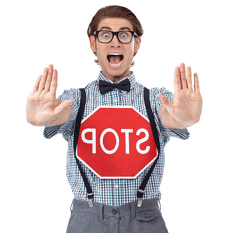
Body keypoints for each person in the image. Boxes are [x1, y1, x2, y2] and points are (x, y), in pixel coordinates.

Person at [26, 5, 202, 233]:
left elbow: (171, 117)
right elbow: (60, 113)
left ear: (136, 44)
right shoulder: (75, 100)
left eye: (124, 35)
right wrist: (40, 118)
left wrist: (184, 118)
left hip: (145, 221)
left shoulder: (157, 99)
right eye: (106, 34)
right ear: (93, 43)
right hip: (87, 221)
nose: (115, 42)